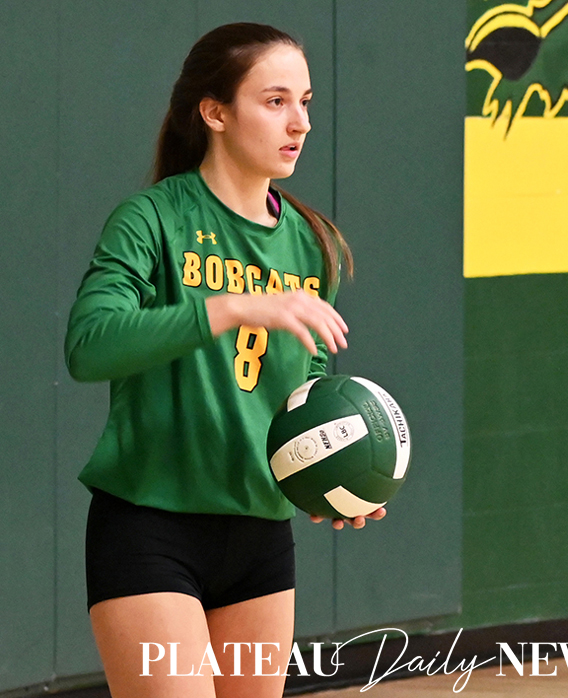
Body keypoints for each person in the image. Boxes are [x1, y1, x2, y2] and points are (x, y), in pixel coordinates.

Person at [65, 22, 385, 698]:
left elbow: (305, 389)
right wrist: (231, 306)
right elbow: (89, 346)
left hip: (260, 537)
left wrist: (330, 472)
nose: (299, 123)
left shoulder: (313, 244)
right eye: (275, 101)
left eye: (305, 102)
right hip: (151, 528)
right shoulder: (151, 220)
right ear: (214, 112)